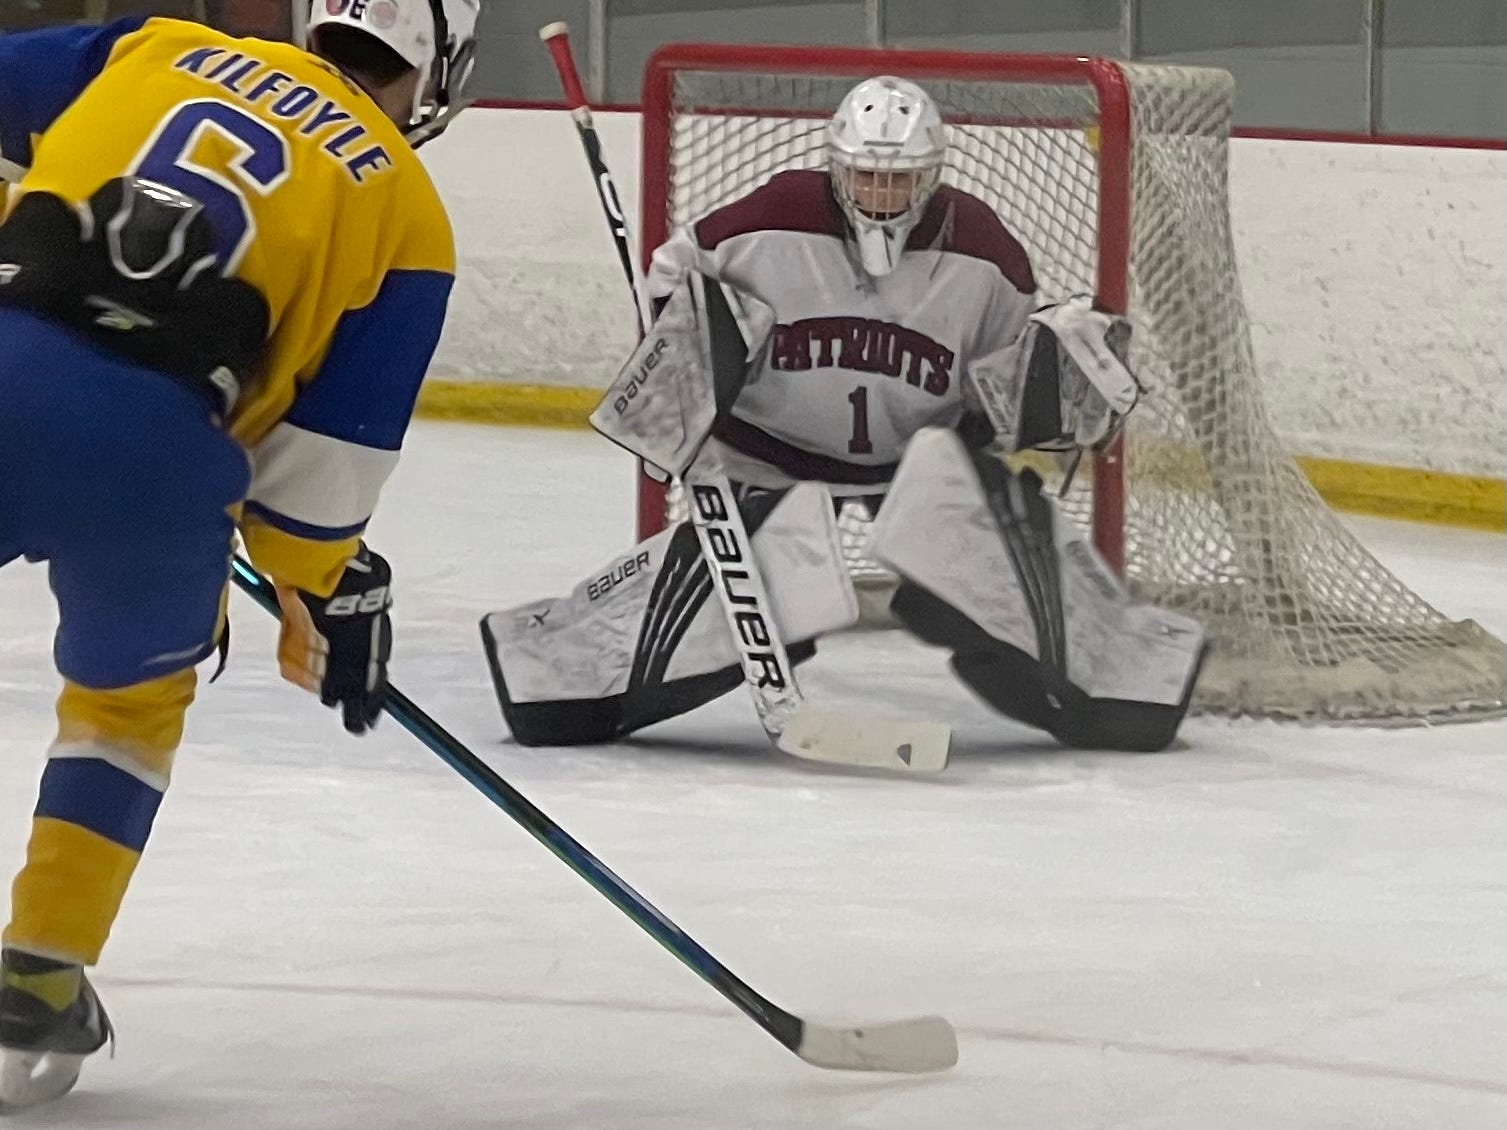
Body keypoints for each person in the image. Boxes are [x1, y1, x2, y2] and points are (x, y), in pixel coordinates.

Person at [0, 0, 476, 1107]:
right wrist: (326, 586)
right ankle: (38, 963)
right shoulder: (409, 212)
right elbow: (317, 486)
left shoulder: (156, 44)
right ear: (438, 66)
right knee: (124, 706)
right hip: (159, 456)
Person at [480, 77, 1205, 757]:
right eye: (866, 175)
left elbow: (1003, 384)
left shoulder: (985, 252)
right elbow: (673, 285)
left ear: (933, 175)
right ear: (835, 166)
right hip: (767, 455)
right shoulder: (765, 221)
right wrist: (682, 348)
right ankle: (554, 671)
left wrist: (1059, 381)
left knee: (996, 544)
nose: (882, 194)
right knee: (762, 585)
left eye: (899, 179)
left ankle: (1133, 676)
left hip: (915, 462)